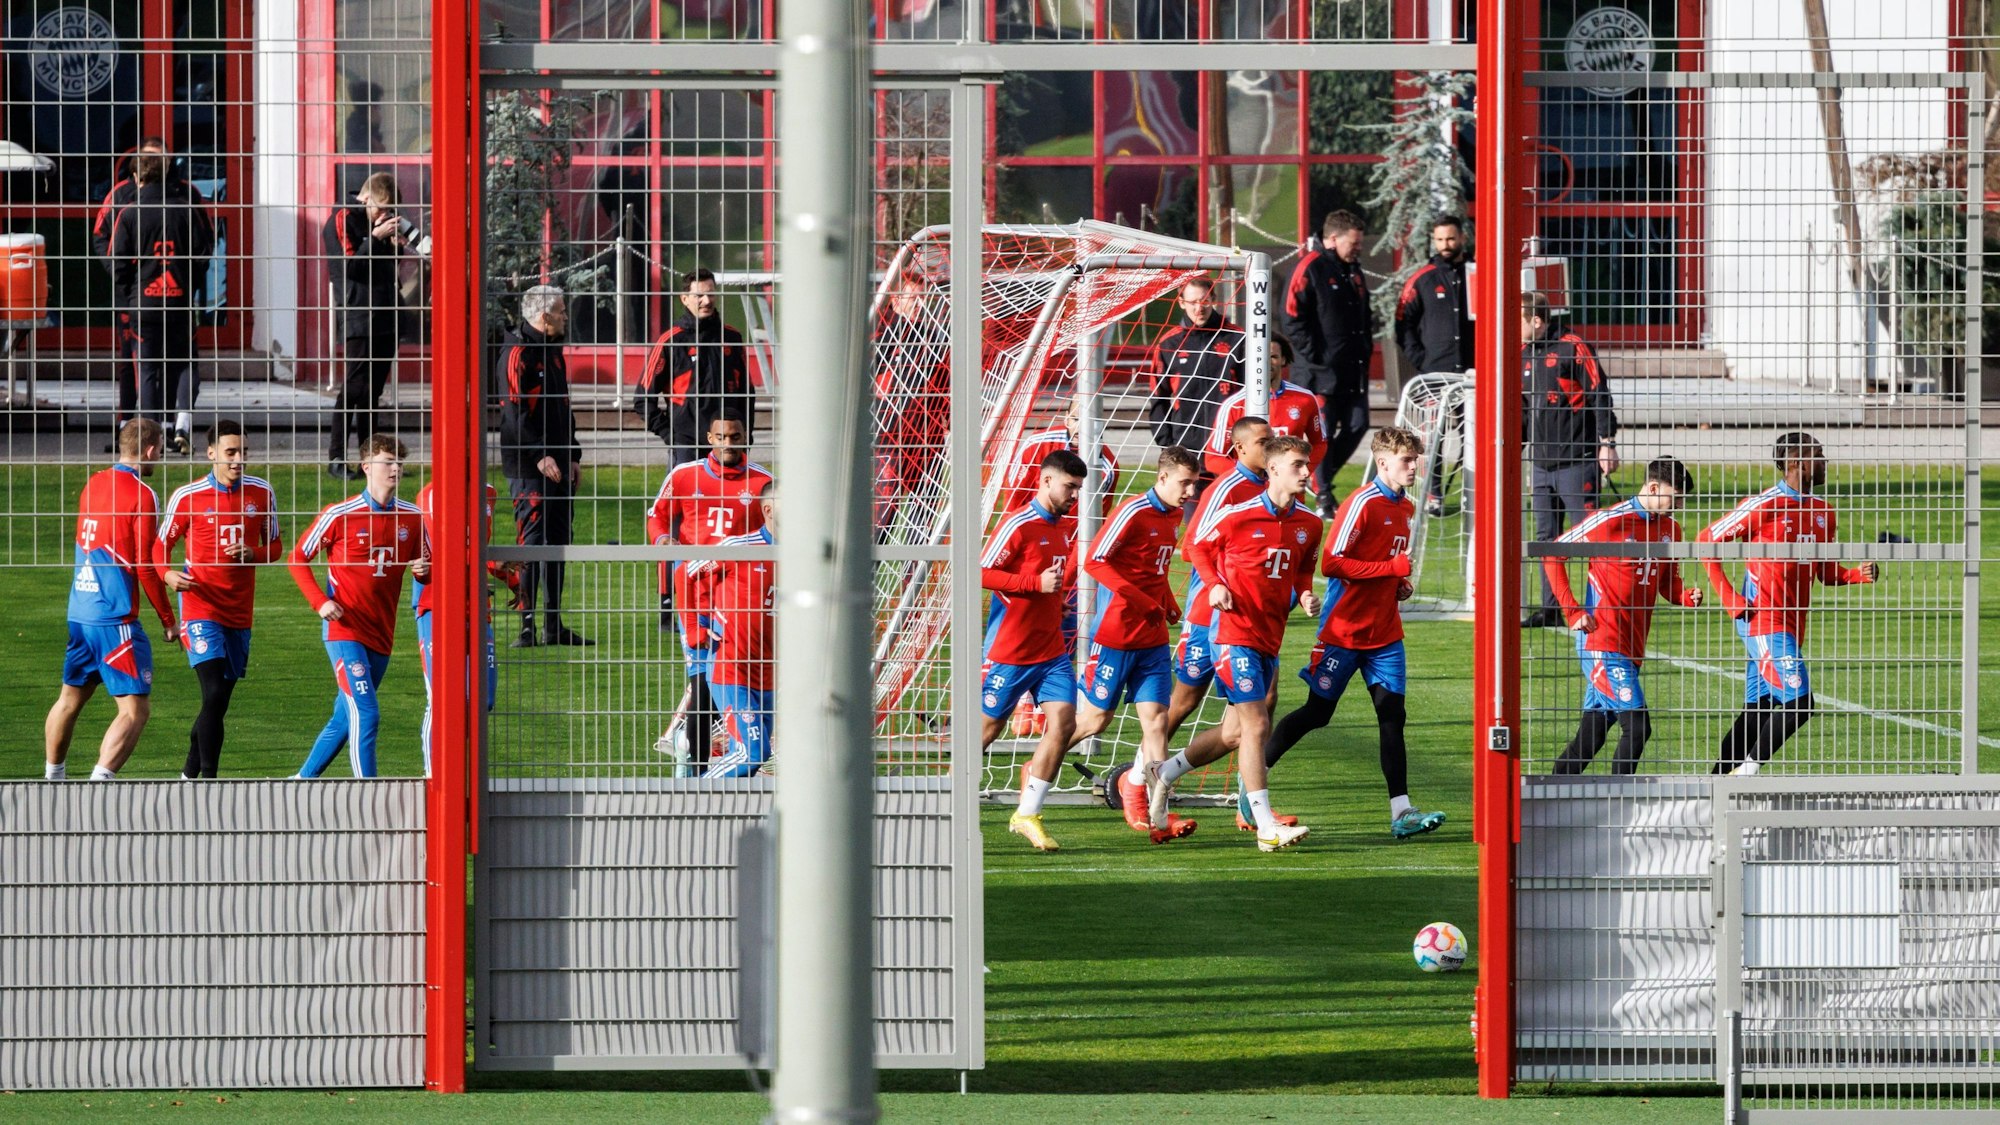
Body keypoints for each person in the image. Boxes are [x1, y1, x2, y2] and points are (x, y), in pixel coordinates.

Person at [1261, 426, 1447, 839]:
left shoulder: (1406, 509)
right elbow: (1332, 565)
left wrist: (1398, 585)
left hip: (1384, 636)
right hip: (1343, 633)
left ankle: (1402, 813)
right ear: (1383, 463)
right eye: (1406, 460)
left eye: (1415, 459)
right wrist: (1389, 571)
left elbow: (1385, 566)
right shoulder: (1360, 504)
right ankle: (1253, 779)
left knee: (1392, 717)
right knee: (1317, 713)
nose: (1414, 466)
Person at [1156, 435, 1322, 852]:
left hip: (1268, 636)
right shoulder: (1238, 514)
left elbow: (1302, 570)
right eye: (1299, 465)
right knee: (1257, 724)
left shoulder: (1310, 523)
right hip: (1231, 634)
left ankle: (1164, 772)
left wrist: (1304, 593)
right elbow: (1195, 546)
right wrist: (1213, 585)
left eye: (1307, 465)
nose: (1306, 472)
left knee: (1233, 734)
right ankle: (1264, 824)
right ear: (1275, 469)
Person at [1699, 432, 1877, 775]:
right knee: (1800, 702)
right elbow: (1707, 539)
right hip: (1762, 619)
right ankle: (1745, 775)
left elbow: (1824, 571)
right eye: (1819, 454)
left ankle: (1716, 783)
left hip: (1792, 626)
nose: (1826, 461)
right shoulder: (1764, 505)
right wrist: (1730, 598)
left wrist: (1856, 574)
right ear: (1797, 462)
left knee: (1760, 709)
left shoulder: (1824, 512)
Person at [1070, 446, 1203, 843]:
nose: (1190, 491)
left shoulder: (1173, 514)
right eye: (1184, 482)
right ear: (1162, 478)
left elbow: (1155, 569)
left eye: (1193, 483)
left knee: (1157, 722)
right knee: (1095, 720)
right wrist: (1144, 601)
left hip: (1153, 638)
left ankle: (1155, 812)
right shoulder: (1132, 511)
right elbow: (1094, 561)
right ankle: (1040, 766)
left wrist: (1167, 600)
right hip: (1117, 635)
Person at [1542, 457, 1702, 775]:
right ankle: (1621, 804)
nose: (1680, 505)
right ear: (1653, 487)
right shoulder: (1611, 521)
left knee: (1592, 735)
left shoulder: (1671, 529)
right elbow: (1551, 553)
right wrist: (1573, 611)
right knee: (1638, 727)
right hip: (1602, 642)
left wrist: (1685, 596)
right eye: (1676, 496)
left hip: (1632, 646)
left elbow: (1667, 582)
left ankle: (1551, 794)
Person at [43, 419, 177, 780]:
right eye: (160, 450)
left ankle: (51, 779)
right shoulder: (143, 495)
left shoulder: (94, 482)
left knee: (69, 699)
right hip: (113, 617)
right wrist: (168, 620)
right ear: (150, 450)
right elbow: (146, 566)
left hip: (80, 610)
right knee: (135, 710)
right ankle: (97, 787)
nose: (159, 457)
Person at [289, 434, 428, 779]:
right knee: (366, 714)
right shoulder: (339, 514)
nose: (396, 468)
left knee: (344, 717)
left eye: (399, 462)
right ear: (366, 467)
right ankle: (369, 792)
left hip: (382, 633)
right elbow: (297, 558)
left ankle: (300, 781)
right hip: (344, 630)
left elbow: (427, 569)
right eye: (388, 461)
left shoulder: (412, 517)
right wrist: (320, 602)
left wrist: (425, 572)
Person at [155, 420, 283, 779]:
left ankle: (188, 774)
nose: (238, 460)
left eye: (243, 452)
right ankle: (210, 783)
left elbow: (275, 547)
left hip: (239, 612)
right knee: (211, 691)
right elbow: (159, 544)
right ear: (211, 453)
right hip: (200, 606)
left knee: (219, 701)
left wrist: (253, 553)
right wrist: (166, 573)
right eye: (230, 453)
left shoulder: (262, 493)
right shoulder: (188, 496)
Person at [645, 416, 772, 769]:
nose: (728, 444)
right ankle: (697, 765)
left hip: (737, 600)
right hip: (694, 597)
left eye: (735, 436)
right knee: (702, 680)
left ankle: (720, 755)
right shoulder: (685, 476)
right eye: (721, 437)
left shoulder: (763, 482)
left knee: (731, 680)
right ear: (708, 438)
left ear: (746, 436)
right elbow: (656, 516)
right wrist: (662, 539)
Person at [981, 449, 1086, 852]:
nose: (1074, 495)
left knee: (1062, 724)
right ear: (1045, 481)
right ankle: (945, 800)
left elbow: (1048, 582)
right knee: (986, 732)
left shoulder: (1064, 526)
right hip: (1012, 651)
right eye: (1069, 487)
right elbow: (980, 570)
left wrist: (1052, 600)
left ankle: (1027, 813)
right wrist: (1033, 586)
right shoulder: (1019, 525)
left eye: (1078, 488)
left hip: (1052, 651)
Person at [1163, 415, 1272, 755]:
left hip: (1250, 616)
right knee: (1184, 702)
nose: (1270, 448)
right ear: (1239, 448)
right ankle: (1138, 777)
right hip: (1207, 614)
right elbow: (1192, 545)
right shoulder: (1225, 488)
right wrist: (1216, 583)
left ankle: (1248, 804)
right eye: (1262, 443)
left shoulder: (1275, 485)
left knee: (1259, 710)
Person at [93, 138, 206, 452]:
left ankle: (167, 431)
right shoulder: (122, 199)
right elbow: (102, 242)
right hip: (147, 298)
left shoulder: (182, 197)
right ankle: (132, 430)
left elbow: (202, 247)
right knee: (136, 365)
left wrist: (135, 284)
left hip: (147, 299)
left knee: (157, 365)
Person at [498, 284, 591, 647]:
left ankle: (553, 625)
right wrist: (540, 455)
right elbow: (513, 413)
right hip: (527, 467)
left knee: (558, 541)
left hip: (558, 463)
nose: (566, 317)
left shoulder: (553, 352)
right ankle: (526, 626)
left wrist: (573, 455)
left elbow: (563, 409)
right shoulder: (517, 353)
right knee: (531, 542)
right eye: (562, 311)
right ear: (544, 315)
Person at [1521, 290, 1619, 628]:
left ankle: (1605, 606)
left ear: (1536, 320)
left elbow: (1598, 393)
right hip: (1541, 464)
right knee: (1545, 538)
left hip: (1577, 461)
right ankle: (1553, 609)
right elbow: (1522, 410)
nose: (1513, 328)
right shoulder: (1522, 353)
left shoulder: (1573, 347)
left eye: (1517, 320)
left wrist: (1607, 443)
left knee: (1593, 537)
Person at [412, 479, 515, 774]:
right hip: (438, 607)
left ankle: (460, 772)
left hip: (477, 608)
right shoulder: (432, 494)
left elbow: (476, 552)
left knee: (483, 700)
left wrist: (507, 576)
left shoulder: (489, 492)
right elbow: (439, 555)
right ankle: (436, 777)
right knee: (443, 700)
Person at [322, 172, 417, 478]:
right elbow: (352, 268)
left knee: (373, 392)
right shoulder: (343, 217)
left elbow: (390, 265)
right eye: (382, 208)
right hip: (359, 312)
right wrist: (374, 237)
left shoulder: (380, 221)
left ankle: (370, 458)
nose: (385, 214)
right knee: (353, 387)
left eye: (392, 210)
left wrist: (394, 241)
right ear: (366, 198)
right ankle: (336, 457)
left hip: (387, 311)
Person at [1282, 209, 1376, 511]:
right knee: (1320, 434)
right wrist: (1316, 356)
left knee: (1359, 425)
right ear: (1333, 239)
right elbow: (1291, 317)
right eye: (1354, 243)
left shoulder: (1354, 271)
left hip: (1351, 371)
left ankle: (1313, 477)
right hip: (1318, 374)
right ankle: (1324, 498)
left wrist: (1363, 350)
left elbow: (1364, 318)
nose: (1359, 248)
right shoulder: (1310, 267)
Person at [683, 482, 779, 779]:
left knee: (749, 761)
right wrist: (696, 626)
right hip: (730, 667)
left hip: (768, 673)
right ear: (768, 509)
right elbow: (685, 573)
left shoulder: (807, 557)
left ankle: (724, 819)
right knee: (754, 752)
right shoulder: (740, 547)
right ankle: (692, 798)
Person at [636, 267, 752, 467]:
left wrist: (745, 435)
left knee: (730, 499)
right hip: (687, 446)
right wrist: (670, 436)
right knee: (685, 499)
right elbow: (642, 399)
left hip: (728, 444)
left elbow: (747, 393)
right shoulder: (671, 341)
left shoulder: (733, 338)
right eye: (699, 295)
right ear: (684, 299)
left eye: (711, 294)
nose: (706, 301)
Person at [870, 268, 951, 536]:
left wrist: (949, 424)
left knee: (922, 521)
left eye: (923, 300)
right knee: (881, 518)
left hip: (928, 442)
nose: (920, 306)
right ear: (895, 300)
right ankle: (869, 574)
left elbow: (946, 385)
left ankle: (913, 577)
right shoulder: (882, 335)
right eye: (913, 299)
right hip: (889, 440)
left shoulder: (936, 339)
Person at [1200, 334, 1327, 480]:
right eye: (1259, 356)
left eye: (1273, 356)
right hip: (1249, 495)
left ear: (1283, 360)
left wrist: (1298, 472)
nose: (1265, 362)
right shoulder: (1234, 406)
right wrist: (1251, 478)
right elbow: (1213, 458)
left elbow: (1320, 443)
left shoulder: (1305, 399)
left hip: (1290, 493)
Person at [1146, 277, 1245, 454]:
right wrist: (1168, 445)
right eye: (1193, 302)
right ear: (1181, 303)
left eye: (1205, 301)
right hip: (1186, 447)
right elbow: (1158, 398)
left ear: (1213, 300)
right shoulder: (1169, 344)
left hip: (1231, 445)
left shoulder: (1238, 338)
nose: (1199, 308)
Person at [997, 396, 1120, 518]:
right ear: (1066, 418)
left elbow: (1096, 519)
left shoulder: (1107, 470)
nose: (1080, 428)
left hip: (1069, 533)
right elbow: (1015, 494)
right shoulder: (1037, 444)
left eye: (1088, 422)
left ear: (1099, 425)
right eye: (1076, 419)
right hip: (1030, 523)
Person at [1394, 215, 1473, 378]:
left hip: (1475, 370)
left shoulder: (1477, 274)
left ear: (1462, 238)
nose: (1445, 245)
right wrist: (1421, 359)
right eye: (1440, 239)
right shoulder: (1422, 279)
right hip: (1436, 372)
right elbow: (1403, 322)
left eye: (1451, 239)